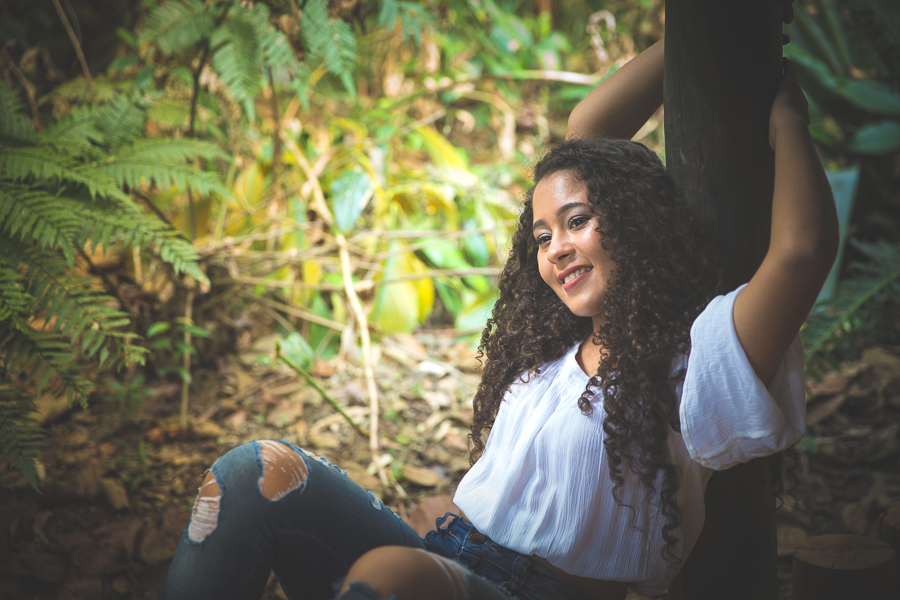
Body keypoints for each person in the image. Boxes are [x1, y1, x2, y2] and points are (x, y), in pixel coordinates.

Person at [160, 34, 838, 600]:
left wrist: (785, 121)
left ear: (633, 224)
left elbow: (801, 256)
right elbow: (583, 138)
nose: (556, 248)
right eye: (542, 236)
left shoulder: (693, 357)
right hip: (451, 556)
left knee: (389, 574)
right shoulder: (555, 341)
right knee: (255, 471)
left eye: (577, 222)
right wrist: (700, 30)